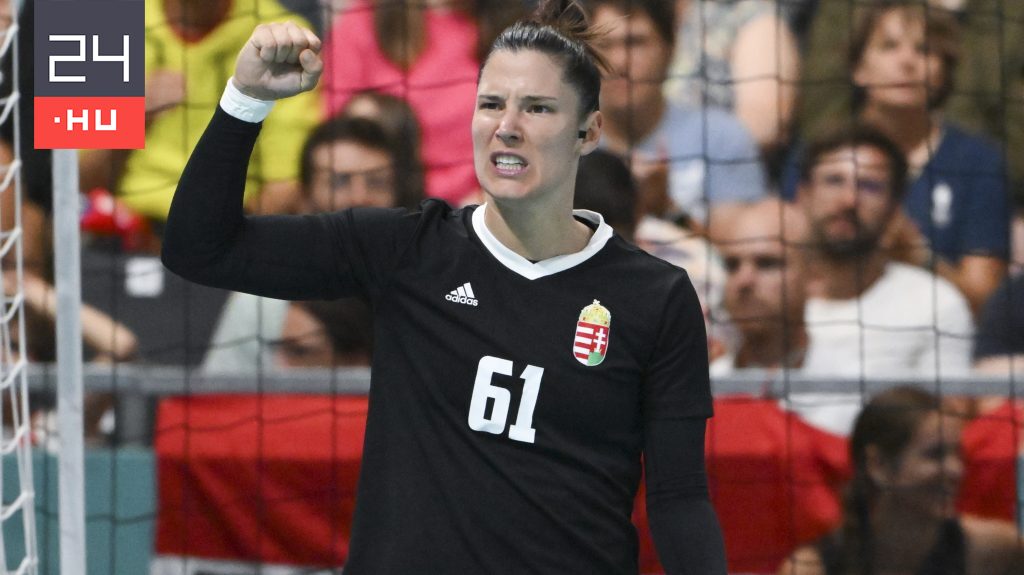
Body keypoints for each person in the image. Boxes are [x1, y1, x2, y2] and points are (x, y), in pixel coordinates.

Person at [161, 1, 727, 572]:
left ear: (589, 131)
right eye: (491, 104)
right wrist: (246, 99)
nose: (507, 125)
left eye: (537, 108)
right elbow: (200, 248)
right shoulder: (407, 250)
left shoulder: (655, 296)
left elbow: (679, 500)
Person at [787, 1, 1009, 315]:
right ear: (858, 68)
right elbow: (790, 265)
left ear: (945, 72)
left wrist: (917, 255)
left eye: (924, 50)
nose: (907, 61)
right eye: (889, 46)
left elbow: (985, 302)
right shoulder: (822, 152)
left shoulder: (977, 162)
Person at [201, 113, 423, 373]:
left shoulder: (424, 287)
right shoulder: (261, 296)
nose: (359, 197)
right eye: (339, 182)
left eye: (376, 182)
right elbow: (218, 398)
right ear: (304, 196)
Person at [791, 124, 973, 436]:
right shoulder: (761, 294)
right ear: (803, 195)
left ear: (895, 206)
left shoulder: (935, 303)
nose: (849, 199)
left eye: (870, 186)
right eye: (834, 181)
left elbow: (949, 423)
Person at [79, 0, 322, 220]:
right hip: (125, 229)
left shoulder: (282, 35)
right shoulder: (100, 22)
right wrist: (132, 115)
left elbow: (284, 189)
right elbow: (75, 182)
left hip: (232, 226)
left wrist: (218, 244)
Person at [777, 385, 1024, 575]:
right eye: (935, 455)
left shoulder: (992, 551)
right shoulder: (811, 567)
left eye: (957, 454)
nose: (955, 469)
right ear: (878, 465)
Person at [322, 0, 526, 204]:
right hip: (385, 205)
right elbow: (339, 135)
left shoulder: (516, 32)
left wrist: (488, 197)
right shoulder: (365, 18)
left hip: (484, 203)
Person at [586, 0, 766, 228]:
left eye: (636, 43)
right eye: (604, 45)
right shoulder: (566, 144)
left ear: (670, 49)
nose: (620, 62)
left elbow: (737, 257)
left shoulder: (720, 137)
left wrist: (667, 208)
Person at [664, 0, 801, 158]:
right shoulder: (640, 13)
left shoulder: (750, 14)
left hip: (717, 171)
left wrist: (666, 149)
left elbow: (766, 127)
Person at [710, 198, 809, 375]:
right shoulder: (707, 380)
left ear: (812, 275)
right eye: (732, 265)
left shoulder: (849, 375)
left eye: (766, 263)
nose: (743, 280)